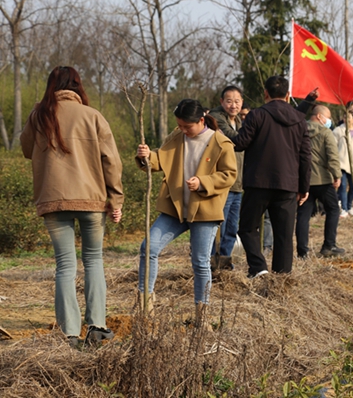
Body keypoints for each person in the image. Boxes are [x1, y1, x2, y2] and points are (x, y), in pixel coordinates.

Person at [20, 66, 124, 346]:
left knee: (65, 265)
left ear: (51, 86)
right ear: (78, 86)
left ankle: (69, 334)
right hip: (92, 201)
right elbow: (112, 162)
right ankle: (97, 326)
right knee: (94, 260)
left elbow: (26, 149)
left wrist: (37, 114)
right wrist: (116, 200)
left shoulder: (39, 115)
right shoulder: (93, 116)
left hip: (53, 201)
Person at [135, 99, 236, 320]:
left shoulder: (221, 142)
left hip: (205, 211)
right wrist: (146, 156)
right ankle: (145, 305)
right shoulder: (177, 136)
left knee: (200, 262)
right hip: (175, 208)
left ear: (201, 120)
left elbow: (229, 175)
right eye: (179, 125)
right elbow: (160, 159)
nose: (182, 130)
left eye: (187, 126)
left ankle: (202, 316)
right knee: (148, 248)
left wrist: (202, 182)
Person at [233, 76, 311, 277]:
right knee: (284, 235)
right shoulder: (299, 120)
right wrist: (304, 187)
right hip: (288, 184)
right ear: (288, 95)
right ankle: (282, 277)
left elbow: (240, 143)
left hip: (258, 182)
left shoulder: (257, 115)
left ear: (265, 93)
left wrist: (221, 136)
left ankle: (259, 268)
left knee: (247, 228)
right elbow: (305, 156)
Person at [295, 105, 344, 257]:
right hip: (323, 179)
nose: (329, 121)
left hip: (304, 180)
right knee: (333, 209)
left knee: (303, 215)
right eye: (328, 117)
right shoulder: (325, 133)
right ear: (319, 116)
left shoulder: (299, 130)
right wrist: (337, 175)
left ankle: (302, 251)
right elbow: (332, 156)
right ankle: (329, 245)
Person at [208, 86, 244, 271]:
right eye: (229, 101)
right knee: (217, 226)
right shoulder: (216, 118)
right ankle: (209, 262)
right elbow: (236, 139)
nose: (233, 105)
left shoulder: (238, 120)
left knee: (231, 227)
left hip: (238, 183)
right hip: (224, 183)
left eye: (237, 101)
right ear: (221, 102)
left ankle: (224, 263)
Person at [335, 111, 353, 217]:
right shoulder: (338, 130)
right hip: (341, 162)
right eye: (344, 117)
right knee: (342, 186)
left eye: (348, 117)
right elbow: (333, 146)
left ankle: (349, 206)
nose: (346, 119)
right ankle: (344, 209)